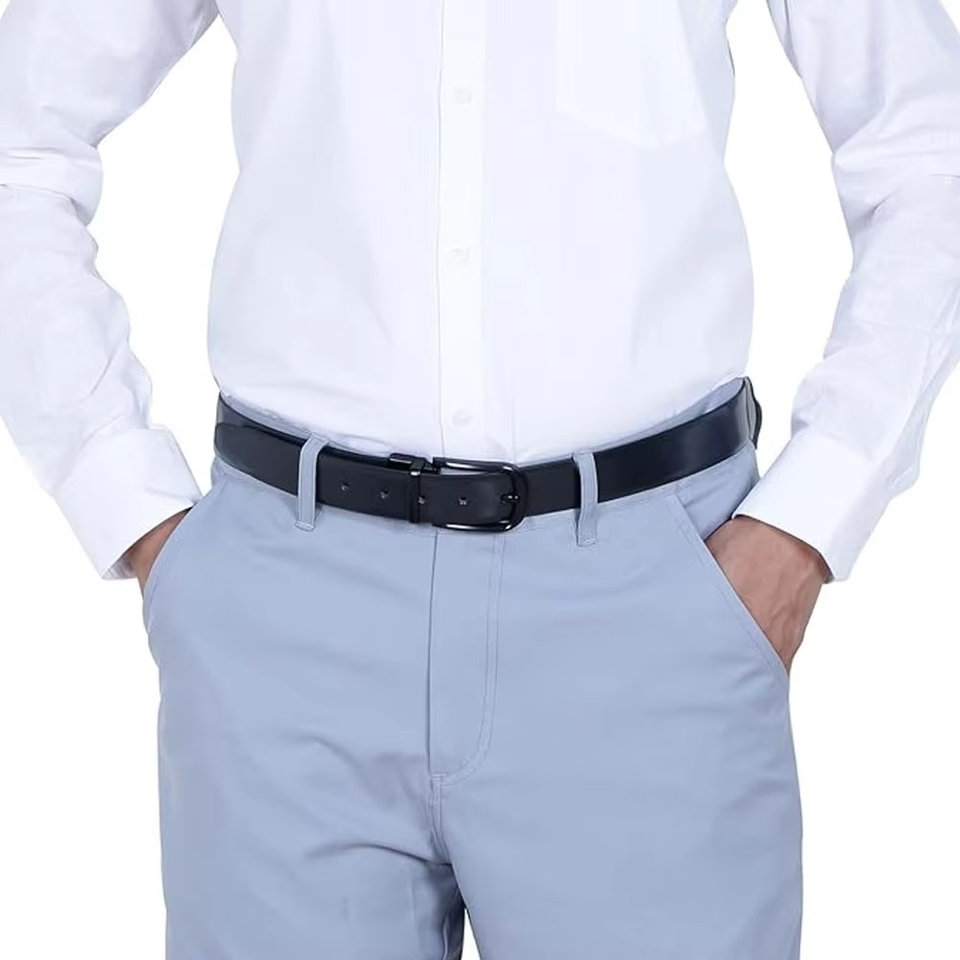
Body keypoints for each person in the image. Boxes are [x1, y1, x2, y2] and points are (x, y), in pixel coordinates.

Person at [1, 1, 959, 957]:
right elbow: (21, 141)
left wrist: (808, 521)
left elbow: (928, 149)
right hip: (282, 624)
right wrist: (123, 496)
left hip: (650, 617)